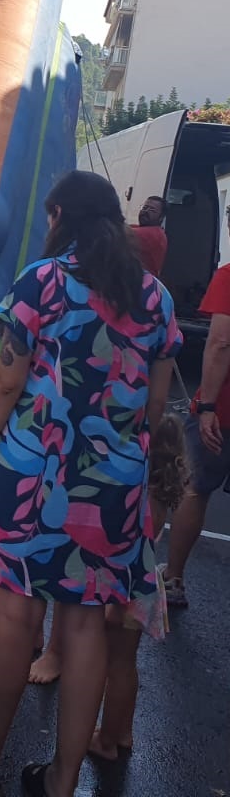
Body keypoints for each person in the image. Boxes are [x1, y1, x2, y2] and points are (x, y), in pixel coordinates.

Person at [0, 170, 181, 797]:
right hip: (111, 490)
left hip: (30, 477)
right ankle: (61, 778)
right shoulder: (156, 300)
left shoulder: (42, 283)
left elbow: (3, 383)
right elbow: (155, 411)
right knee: (84, 629)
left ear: (61, 218)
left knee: (17, 618)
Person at [89, 412, 187, 762]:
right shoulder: (161, 494)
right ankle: (123, 732)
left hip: (121, 587)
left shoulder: (134, 491)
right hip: (144, 587)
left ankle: (105, 740)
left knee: (110, 665)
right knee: (126, 665)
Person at [162, 206, 230, 608]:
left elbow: (221, 342)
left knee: (195, 489)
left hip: (222, 410)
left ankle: (173, 580)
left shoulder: (228, 276)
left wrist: (205, 404)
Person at [131, 194, 169, 276]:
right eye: (144, 208)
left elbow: (118, 232)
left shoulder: (155, 234)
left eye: (152, 210)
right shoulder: (140, 229)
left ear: (161, 217)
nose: (145, 211)